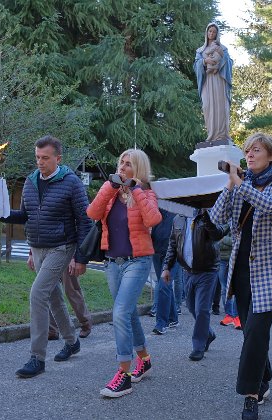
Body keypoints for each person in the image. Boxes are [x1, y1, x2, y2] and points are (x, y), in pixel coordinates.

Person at [209, 132, 272, 420]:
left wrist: (241, 184)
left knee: (257, 332)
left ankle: (250, 396)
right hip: (241, 269)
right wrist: (230, 185)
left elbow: (269, 205)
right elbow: (216, 218)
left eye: (257, 150)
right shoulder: (241, 183)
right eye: (248, 151)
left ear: (271, 155)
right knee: (251, 332)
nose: (250, 155)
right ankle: (264, 377)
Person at [0, 135, 92, 379]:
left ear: (58, 159)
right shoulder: (30, 182)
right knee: (52, 298)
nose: (40, 162)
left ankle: (37, 358)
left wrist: (81, 256)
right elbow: (26, 215)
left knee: (37, 294)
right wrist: (2, 214)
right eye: (37, 157)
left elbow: (85, 221)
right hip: (38, 247)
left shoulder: (71, 182)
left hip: (61, 247)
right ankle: (72, 342)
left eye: (45, 158)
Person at [86, 149, 162, 398]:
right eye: (121, 163)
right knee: (127, 314)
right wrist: (111, 187)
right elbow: (92, 213)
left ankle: (124, 374)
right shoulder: (110, 194)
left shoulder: (146, 193)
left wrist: (136, 189)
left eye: (128, 164)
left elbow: (153, 219)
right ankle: (145, 359)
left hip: (137, 262)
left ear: (137, 169)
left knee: (119, 313)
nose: (122, 167)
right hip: (112, 263)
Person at [161, 208, 225, 361]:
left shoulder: (211, 215)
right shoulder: (178, 218)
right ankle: (208, 334)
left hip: (208, 271)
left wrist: (207, 218)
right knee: (191, 306)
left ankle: (198, 346)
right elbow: (173, 245)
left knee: (201, 309)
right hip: (187, 271)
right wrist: (166, 267)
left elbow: (218, 234)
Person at [193, 22, 233, 143]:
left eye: (214, 32)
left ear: (217, 34)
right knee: (207, 106)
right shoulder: (200, 51)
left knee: (220, 106)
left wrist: (220, 62)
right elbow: (196, 65)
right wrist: (204, 61)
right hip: (207, 81)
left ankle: (221, 135)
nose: (211, 33)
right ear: (206, 33)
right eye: (210, 31)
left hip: (219, 80)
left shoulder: (223, 48)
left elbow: (229, 62)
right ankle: (211, 134)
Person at [47, 257, 92, 340]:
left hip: (66, 253)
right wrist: (31, 254)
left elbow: (76, 243)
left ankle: (86, 324)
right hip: (48, 255)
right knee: (48, 292)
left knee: (72, 291)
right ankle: (52, 329)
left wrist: (73, 258)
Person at [151, 208, 179, 335]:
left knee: (163, 285)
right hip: (157, 252)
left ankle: (161, 323)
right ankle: (173, 318)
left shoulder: (178, 207)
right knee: (165, 287)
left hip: (172, 254)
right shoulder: (154, 204)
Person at [218, 226, 241, 330]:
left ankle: (237, 316)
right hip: (221, 259)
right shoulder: (220, 222)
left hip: (235, 258)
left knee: (235, 288)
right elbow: (215, 240)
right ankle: (229, 315)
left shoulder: (236, 221)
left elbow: (237, 241)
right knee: (224, 288)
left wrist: (223, 239)